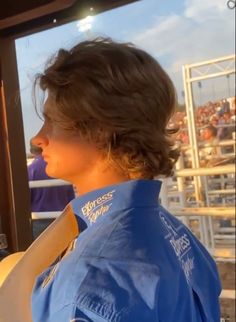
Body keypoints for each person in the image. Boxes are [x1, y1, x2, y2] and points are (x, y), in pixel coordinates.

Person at [30, 38, 221, 322]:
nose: (37, 139)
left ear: (100, 129)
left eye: (52, 120)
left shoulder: (93, 276)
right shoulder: (177, 234)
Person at [28, 142, 75, 238]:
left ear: (32, 151)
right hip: (62, 219)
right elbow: (71, 196)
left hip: (38, 221)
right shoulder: (61, 167)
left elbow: (27, 199)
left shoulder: (30, 170)